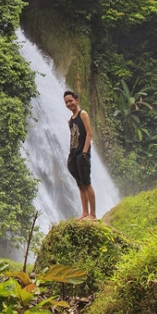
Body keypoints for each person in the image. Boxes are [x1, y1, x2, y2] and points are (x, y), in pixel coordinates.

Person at [64, 90, 96, 220]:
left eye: (71, 101)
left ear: (76, 100)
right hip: (73, 154)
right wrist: (71, 155)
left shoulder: (83, 114)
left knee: (86, 183)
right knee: (80, 185)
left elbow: (89, 133)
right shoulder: (69, 121)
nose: (69, 103)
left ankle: (92, 214)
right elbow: (73, 138)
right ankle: (84, 213)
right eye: (66, 102)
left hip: (82, 154)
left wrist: (84, 152)